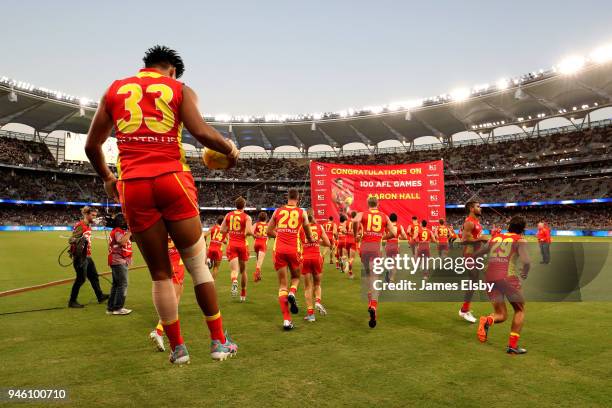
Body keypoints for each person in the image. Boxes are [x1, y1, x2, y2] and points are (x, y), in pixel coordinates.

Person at [85, 45, 239, 364]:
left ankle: (178, 348)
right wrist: (230, 150)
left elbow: (91, 145)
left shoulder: (115, 89)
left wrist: (107, 177)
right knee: (197, 267)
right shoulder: (179, 88)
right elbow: (200, 132)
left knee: (160, 275)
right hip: (173, 179)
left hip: (133, 185)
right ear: (171, 70)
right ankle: (218, 342)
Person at [475, 216, 531, 355]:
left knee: (501, 314)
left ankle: (487, 320)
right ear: (522, 230)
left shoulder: (495, 238)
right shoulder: (520, 240)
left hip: (490, 278)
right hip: (507, 278)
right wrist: (525, 272)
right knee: (520, 309)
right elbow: (527, 261)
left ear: (509, 226)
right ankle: (512, 347)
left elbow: (478, 254)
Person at [267, 188, 313, 330]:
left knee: (282, 285)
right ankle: (292, 292)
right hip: (294, 249)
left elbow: (268, 231)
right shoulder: (302, 212)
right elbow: (308, 233)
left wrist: (280, 235)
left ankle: (287, 321)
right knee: (296, 277)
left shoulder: (277, 211)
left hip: (279, 249)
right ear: (298, 198)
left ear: (287, 198)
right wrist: (310, 239)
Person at [352, 197, 396, 328]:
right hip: (376, 248)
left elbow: (355, 221)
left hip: (364, 248)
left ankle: (370, 305)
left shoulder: (362, 214)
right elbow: (394, 232)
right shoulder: (384, 216)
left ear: (367, 204)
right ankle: (373, 306)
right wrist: (383, 236)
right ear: (378, 204)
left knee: (368, 277)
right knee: (375, 278)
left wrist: (356, 234)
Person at [68, 206, 108, 308]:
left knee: (94, 277)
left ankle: (100, 296)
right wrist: (80, 240)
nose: (94, 217)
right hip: (80, 257)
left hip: (87, 257)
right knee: (80, 279)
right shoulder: (81, 225)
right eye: (93, 215)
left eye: (95, 215)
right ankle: (72, 301)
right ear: (86, 214)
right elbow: (71, 239)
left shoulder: (88, 226)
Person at [150, 237, 185, 352]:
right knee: (173, 300)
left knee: (178, 292)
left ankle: (163, 328)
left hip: (164, 263)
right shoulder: (175, 225)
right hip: (176, 264)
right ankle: (158, 331)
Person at [458, 201, 487, 324]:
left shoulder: (476, 222)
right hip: (469, 255)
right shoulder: (469, 222)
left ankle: (465, 308)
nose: (480, 208)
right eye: (478, 206)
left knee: (476, 280)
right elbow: (464, 240)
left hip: (476, 255)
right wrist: (481, 239)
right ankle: (464, 310)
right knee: (474, 279)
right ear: (471, 208)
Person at [220, 197, 253, 301]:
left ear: (235, 205)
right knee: (243, 271)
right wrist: (252, 234)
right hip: (242, 245)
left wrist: (231, 230)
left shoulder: (228, 215)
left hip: (232, 244)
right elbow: (248, 231)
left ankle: (234, 280)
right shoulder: (247, 217)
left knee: (234, 270)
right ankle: (243, 294)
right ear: (244, 205)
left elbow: (222, 230)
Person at [300, 210, 331, 322]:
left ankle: (311, 314)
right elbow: (328, 243)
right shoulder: (319, 227)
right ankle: (318, 301)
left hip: (306, 258)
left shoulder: (301, 228)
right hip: (317, 257)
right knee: (317, 284)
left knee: (308, 287)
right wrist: (317, 242)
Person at [106, 213, 133, 315]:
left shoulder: (119, 230)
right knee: (122, 284)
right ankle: (118, 308)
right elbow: (121, 242)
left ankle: (111, 307)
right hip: (118, 260)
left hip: (116, 260)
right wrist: (130, 231)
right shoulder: (118, 230)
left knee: (116, 284)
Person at [384, 213, 407, 282]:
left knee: (389, 261)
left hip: (388, 245)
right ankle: (392, 278)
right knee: (394, 263)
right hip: (395, 245)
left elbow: (384, 236)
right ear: (396, 219)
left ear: (390, 219)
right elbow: (405, 237)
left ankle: (388, 272)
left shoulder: (386, 226)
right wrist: (399, 237)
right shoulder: (399, 226)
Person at [203, 216, 226, 280]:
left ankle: (208, 261)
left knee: (206, 266)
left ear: (217, 221)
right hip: (218, 249)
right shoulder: (224, 230)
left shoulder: (213, 227)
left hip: (211, 247)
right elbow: (226, 241)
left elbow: (204, 235)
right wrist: (222, 241)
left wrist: (206, 244)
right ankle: (212, 282)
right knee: (216, 267)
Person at [253, 211, 269, 282]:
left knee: (257, 259)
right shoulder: (268, 225)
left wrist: (255, 236)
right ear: (266, 218)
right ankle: (256, 275)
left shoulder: (256, 224)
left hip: (256, 243)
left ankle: (259, 275)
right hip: (263, 243)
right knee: (260, 260)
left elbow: (251, 231)